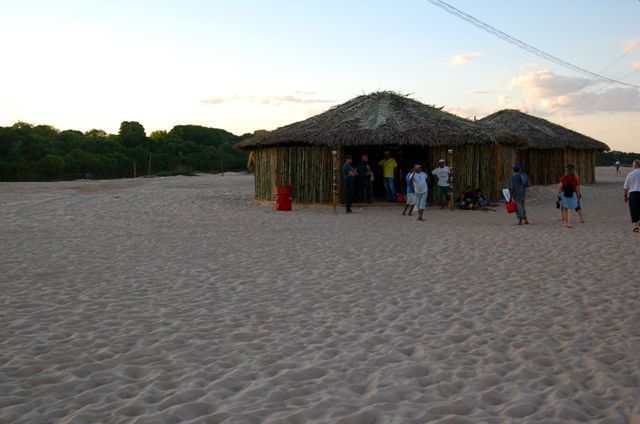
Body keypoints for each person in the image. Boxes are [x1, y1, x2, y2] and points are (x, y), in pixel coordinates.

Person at [557, 164, 583, 228]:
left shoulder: (563, 177)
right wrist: (578, 195)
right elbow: (577, 188)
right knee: (569, 209)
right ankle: (569, 223)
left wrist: (558, 193)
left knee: (565, 208)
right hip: (572, 194)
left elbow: (560, 186)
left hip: (564, 194)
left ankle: (566, 223)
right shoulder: (575, 178)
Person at [623, 159, 640, 233]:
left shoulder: (630, 174)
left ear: (634, 165)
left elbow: (626, 187)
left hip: (633, 194)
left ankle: (636, 227)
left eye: (632, 165)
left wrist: (625, 196)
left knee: (634, 210)